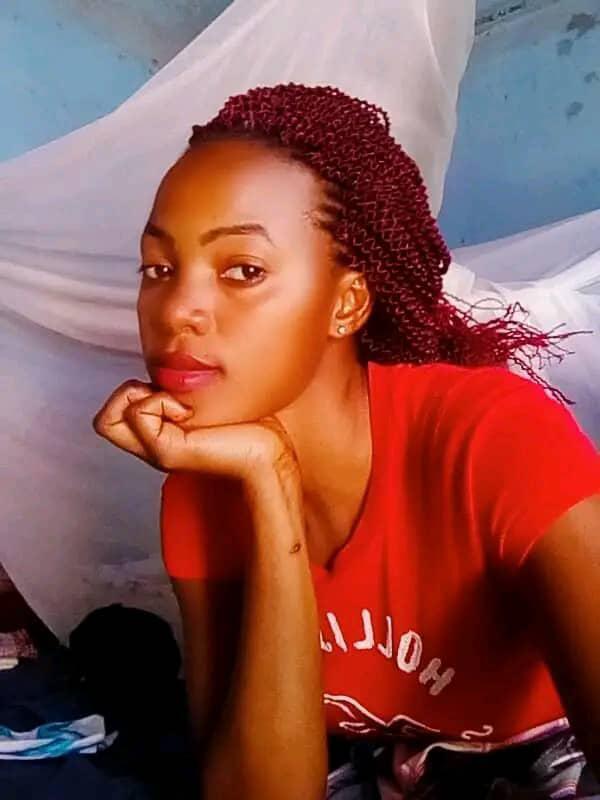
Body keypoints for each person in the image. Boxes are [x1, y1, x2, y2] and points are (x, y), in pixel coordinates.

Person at [93, 85, 600, 799]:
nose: (177, 310)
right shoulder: (200, 484)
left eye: (243, 270)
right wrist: (268, 480)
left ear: (347, 303)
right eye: (158, 269)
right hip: (377, 760)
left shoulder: (497, 439)